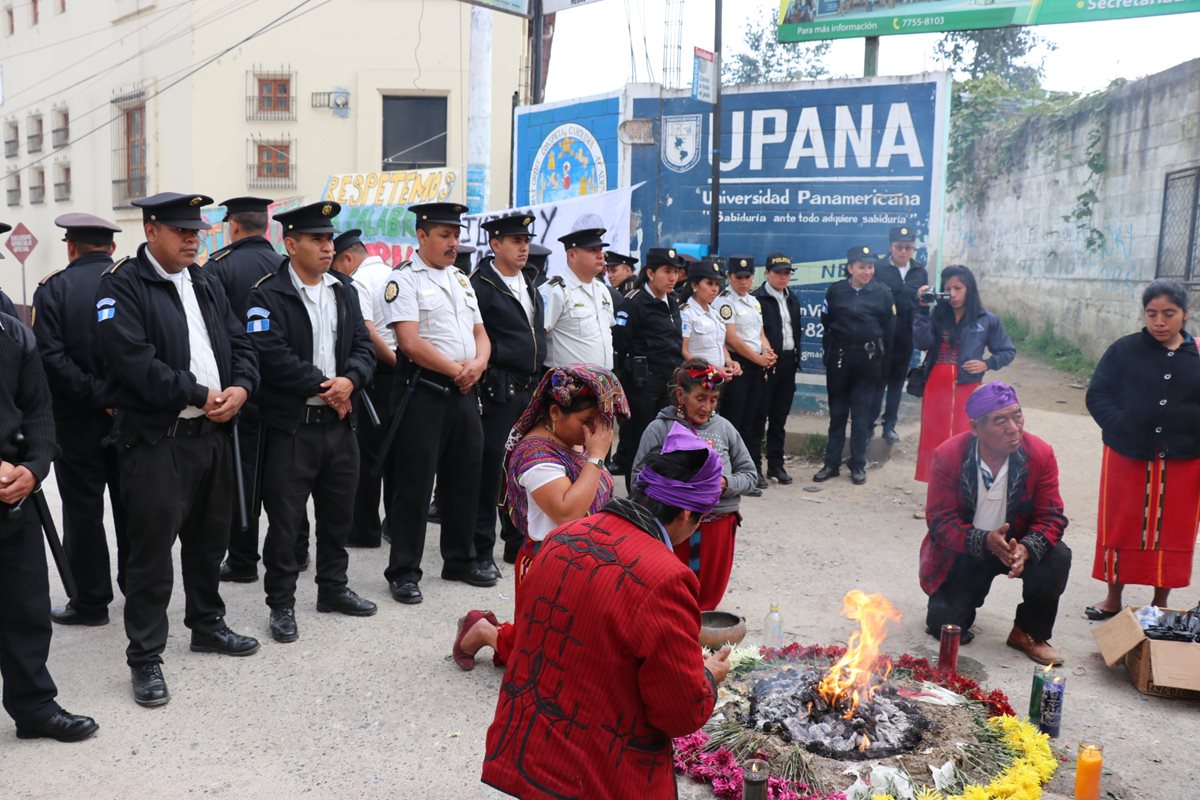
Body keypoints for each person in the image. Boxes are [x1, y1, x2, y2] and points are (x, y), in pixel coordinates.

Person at [481, 423, 732, 799]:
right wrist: (708, 677)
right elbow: (678, 713)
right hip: (599, 776)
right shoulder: (666, 578)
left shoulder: (560, 537)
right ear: (684, 515)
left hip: (529, 755)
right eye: (702, 518)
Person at [96, 192, 261, 707]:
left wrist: (241, 389)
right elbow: (132, 363)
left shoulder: (205, 281)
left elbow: (241, 344)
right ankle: (145, 657)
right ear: (151, 232)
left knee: (209, 542)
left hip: (211, 434)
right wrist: (197, 394)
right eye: (181, 231)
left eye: (197, 231)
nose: (193, 239)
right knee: (150, 555)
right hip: (157, 441)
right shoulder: (121, 286)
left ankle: (207, 624)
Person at [244, 202, 378, 644]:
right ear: (290, 243)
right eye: (317, 240)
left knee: (338, 514)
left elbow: (363, 347)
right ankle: (281, 603)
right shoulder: (266, 293)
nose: (327, 247)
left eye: (329, 239)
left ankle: (332, 589)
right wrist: (329, 385)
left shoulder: (343, 290)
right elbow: (272, 356)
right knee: (285, 521)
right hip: (291, 427)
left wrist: (351, 381)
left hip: (339, 424)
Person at [451, 365, 629, 671]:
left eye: (599, 423)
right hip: (548, 562)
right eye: (586, 422)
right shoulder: (535, 453)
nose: (595, 432)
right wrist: (597, 456)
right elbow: (567, 512)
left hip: (584, 557)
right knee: (537, 662)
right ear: (556, 412)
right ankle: (481, 631)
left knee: (576, 649)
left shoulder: (573, 440)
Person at [380, 202, 493, 605]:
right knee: (414, 482)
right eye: (444, 235)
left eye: (455, 235)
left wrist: (478, 365)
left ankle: (460, 559)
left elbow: (482, 334)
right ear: (422, 236)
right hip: (424, 392)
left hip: (465, 390)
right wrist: (455, 370)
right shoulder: (403, 280)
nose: (452, 243)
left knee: (465, 477)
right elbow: (408, 341)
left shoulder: (462, 280)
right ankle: (404, 571)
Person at [0, 309, 99, 742]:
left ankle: (34, 705)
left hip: (13, 495)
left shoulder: (12, 332)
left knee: (26, 607)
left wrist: (36, 467)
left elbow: (39, 407)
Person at [921, 382, 1070, 666]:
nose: (1014, 428)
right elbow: (940, 521)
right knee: (945, 626)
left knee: (1058, 555)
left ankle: (1029, 632)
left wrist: (1027, 548)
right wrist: (984, 540)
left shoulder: (1040, 454)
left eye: (1017, 416)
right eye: (1001, 421)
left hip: (1018, 545)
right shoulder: (948, 455)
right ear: (975, 428)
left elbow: (1052, 515)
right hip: (968, 549)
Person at [32, 213, 129, 627]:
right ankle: (139, 590)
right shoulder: (132, 284)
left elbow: (50, 358)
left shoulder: (52, 289)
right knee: (135, 508)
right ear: (112, 248)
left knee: (82, 511)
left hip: (76, 420)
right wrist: (119, 395)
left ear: (71, 248)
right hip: (132, 417)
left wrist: (95, 395)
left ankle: (90, 603)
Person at [1084, 279, 1200, 619]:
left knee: (1171, 527)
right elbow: (1098, 394)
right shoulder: (1124, 349)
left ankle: (1160, 603)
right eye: (1151, 314)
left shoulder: (1197, 357)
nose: (1159, 322)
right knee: (1122, 523)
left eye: (1169, 314)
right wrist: (1120, 424)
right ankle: (1112, 598)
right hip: (1127, 454)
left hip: (1183, 459)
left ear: (1186, 314)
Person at [207, 196, 292, 583]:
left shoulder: (218, 268)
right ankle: (296, 551)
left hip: (243, 389)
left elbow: (216, 333)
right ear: (267, 226)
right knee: (288, 477)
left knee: (244, 476)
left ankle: (242, 559)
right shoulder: (285, 265)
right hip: (287, 389)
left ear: (234, 226)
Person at [632, 359, 758, 610]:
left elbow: (750, 475)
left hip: (718, 526)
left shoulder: (725, 428)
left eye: (713, 400)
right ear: (681, 394)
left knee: (709, 598)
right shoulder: (660, 429)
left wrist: (722, 483)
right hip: (673, 526)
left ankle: (703, 645)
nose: (707, 407)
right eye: (700, 398)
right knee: (670, 597)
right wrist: (680, 493)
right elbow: (638, 478)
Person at [470, 213, 546, 573]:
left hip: (529, 389)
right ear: (495, 244)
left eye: (525, 241)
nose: (523, 247)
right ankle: (481, 548)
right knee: (490, 472)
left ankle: (517, 544)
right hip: (498, 389)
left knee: (525, 469)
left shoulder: (530, 282)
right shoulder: (480, 285)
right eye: (515, 241)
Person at [912, 265, 1016, 482]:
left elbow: (1007, 351)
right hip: (936, 386)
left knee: (965, 437)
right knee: (934, 439)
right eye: (948, 289)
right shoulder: (937, 315)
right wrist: (922, 309)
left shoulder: (987, 319)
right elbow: (921, 343)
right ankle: (935, 497)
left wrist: (987, 364)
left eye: (958, 288)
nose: (953, 294)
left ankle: (964, 493)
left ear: (970, 289)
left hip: (968, 387)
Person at [331, 228, 397, 549]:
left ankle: (365, 530)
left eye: (336, 265)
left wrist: (393, 361)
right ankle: (395, 525)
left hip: (380, 373)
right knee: (397, 453)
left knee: (369, 456)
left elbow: (368, 332)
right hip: (404, 374)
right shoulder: (396, 274)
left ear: (347, 258)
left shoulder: (358, 282)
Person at [814, 246, 896, 486]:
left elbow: (889, 330)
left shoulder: (883, 293)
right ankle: (831, 463)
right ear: (850, 268)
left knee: (862, 417)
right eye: (862, 267)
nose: (867, 271)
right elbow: (826, 321)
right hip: (840, 360)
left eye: (870, 266)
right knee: (837, 414)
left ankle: (858, 463)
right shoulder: (836, 291)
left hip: (868, 362)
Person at [610, 247, 683, 480]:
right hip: (641, 385)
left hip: (668, 384)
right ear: (650, 273)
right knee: (638, 441)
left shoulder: (672, 301)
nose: (673, 277)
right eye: (667, 271)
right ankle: (636, 496)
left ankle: (657, 491)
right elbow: (619, 345)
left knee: (665, 440)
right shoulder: (633, 303)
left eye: (675, 272)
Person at [720, 256, 776, 497]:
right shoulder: (724, 302)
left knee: (755, 421)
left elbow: (760, 333)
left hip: (757, 365)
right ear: (730, 277)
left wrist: (768, 350)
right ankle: (733, 477)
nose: (743, 282)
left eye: (747, 277)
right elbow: (731, 339)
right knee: (736, 423)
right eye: (738, 277)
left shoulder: (753, 302)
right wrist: (758, 358)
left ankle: (753, 472)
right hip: (739, 365)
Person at [872, 226, 929, 444]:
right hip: (882, 334)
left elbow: (922, 301)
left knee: (897, 382)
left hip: (906, 335)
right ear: (891, 247)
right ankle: (870, 425)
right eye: (899, 247)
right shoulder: (878, 268)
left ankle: (890, 426)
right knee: (878, 381)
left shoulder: (919, 270)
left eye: (908, 247)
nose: (904, 252)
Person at [750, 252, 803, 486]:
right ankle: (754, 467)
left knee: (779, 417)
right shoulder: (757, 299)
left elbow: (795, 331)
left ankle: (776, 465)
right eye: (778, 273)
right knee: (759, 416)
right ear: (767, 273)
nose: (783, 278)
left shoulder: (793, 298)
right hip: (765, 364)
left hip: (788, 362)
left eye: (787, 273)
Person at [539, 215, 615, 369]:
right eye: (592, 250)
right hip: (568, 387)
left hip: (603, 384)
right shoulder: (555, 291)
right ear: (571, 255)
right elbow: (536, 338)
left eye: (601, 249)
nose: (601, 255)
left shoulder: (602, 290)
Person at [681, 258, 740, 379]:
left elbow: (719, 343)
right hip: (697, 377)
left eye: (717, 284)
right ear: (694, 285)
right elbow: (684, 351)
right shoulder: (686, 312)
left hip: (717, 376)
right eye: (709, 283)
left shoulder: (714, 312)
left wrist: (729, 361)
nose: (715, 289)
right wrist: (711, 370)